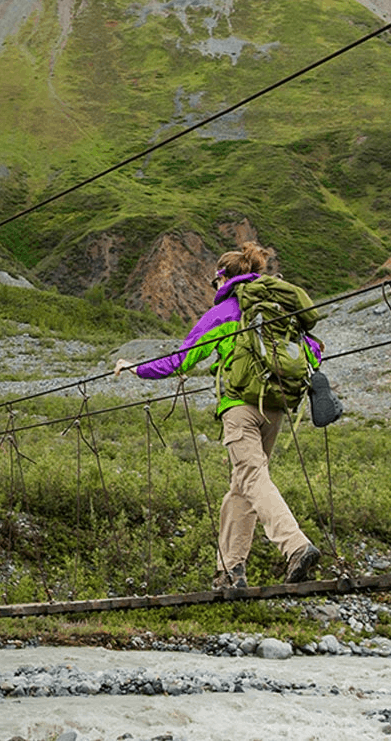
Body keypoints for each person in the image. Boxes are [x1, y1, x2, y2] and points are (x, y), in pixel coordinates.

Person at [112, 242, 322, 589]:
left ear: (223, 278)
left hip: (240, 408)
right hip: (275, 406)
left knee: (252, 478)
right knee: (241, 487)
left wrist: (137, 369)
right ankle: (230, 570)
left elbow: (181, 359)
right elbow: (312, 353)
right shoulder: (276, 307)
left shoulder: (225, 312)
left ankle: (296, 546)